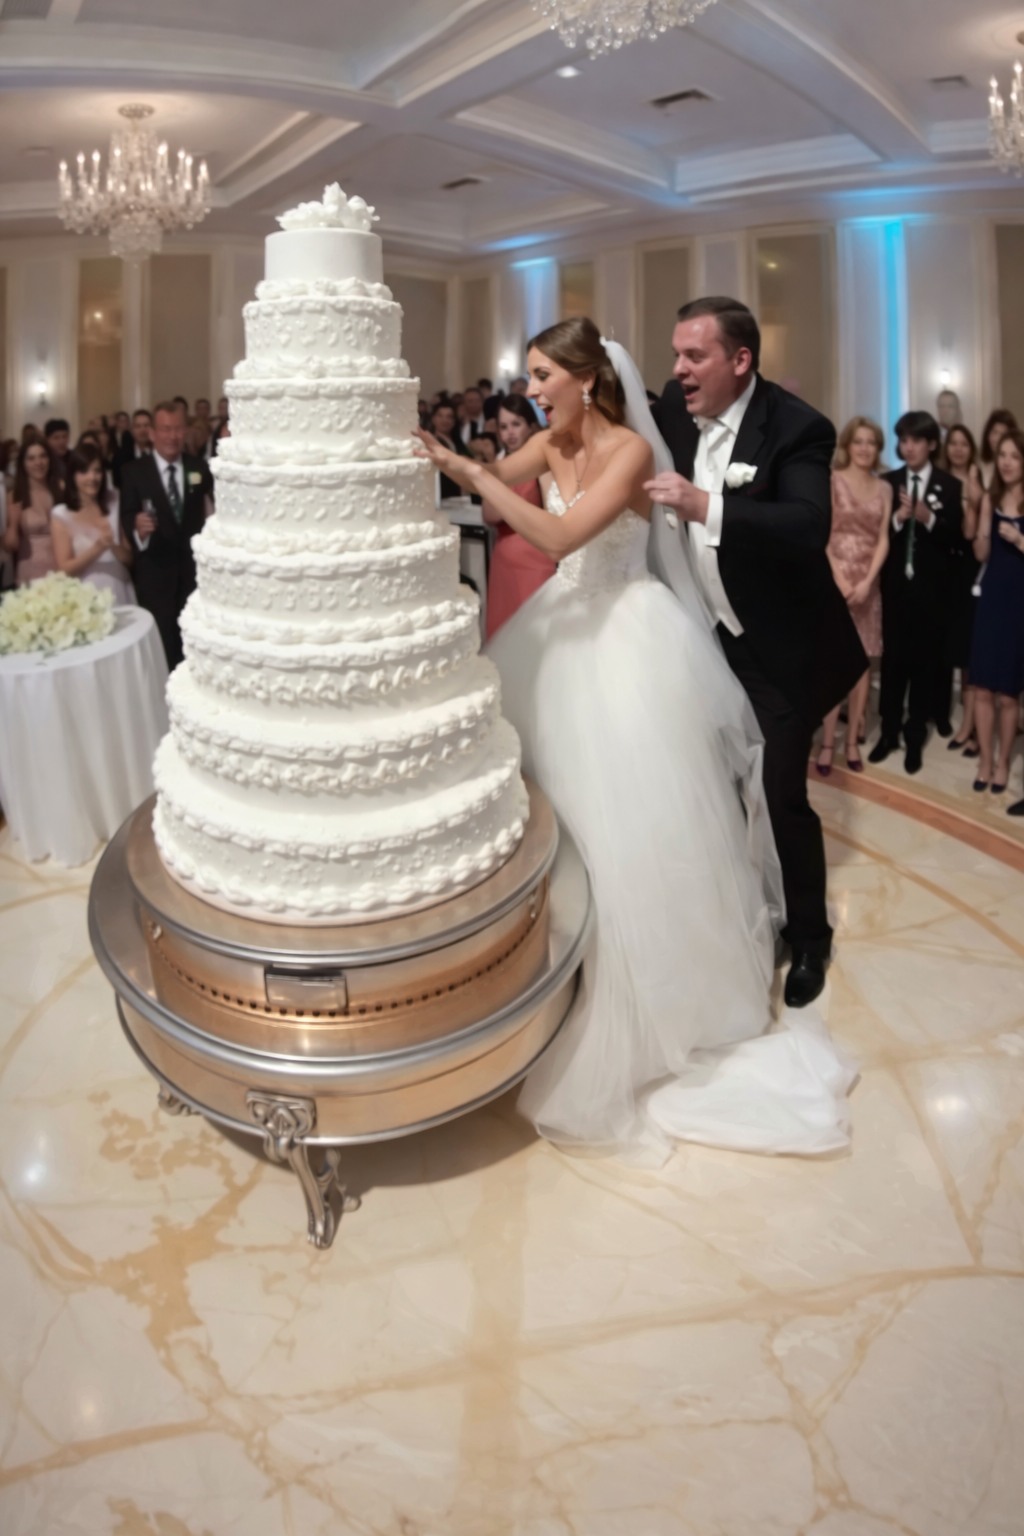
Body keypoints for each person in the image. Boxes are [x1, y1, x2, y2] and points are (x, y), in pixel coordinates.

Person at [414, 317, 856, 1161]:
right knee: (550, 806)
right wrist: (442, 463)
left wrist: (472, 472)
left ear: (586, 378)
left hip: (637, 636)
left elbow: (554, 535)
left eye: (543, 375)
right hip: (560, 625)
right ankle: (551, 969)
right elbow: (493, 483)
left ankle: (712, 964)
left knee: (652, 818)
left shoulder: (635, 449)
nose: (530, 390)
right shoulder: (553, 442)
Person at [649, 296, 865, 1006]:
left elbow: (806, 525)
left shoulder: (799, 427)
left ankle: (809, 937)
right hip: (705, 641)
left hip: (779, 651)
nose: (679, 369)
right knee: (712, 790)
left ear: (741, 360)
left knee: (779, 796)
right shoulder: (674, 410)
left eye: (695, 355)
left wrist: (705, 505)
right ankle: (744, 912)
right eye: (676, 354)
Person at [869, 411, 962, 773]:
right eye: (904, 440)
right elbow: (877, 535)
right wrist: (898, 519)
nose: (908, 447)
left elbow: (955, 541)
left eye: (916, 440)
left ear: (931, 444)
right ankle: (888, 732)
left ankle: (914, 736)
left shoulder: (949, 486)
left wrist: (928, 518)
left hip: (932, 594)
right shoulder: (888, 482)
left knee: (925, 667)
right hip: (895, 590)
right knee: (893, 665)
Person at [816, 417, 891, 775]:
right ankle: (828, 742)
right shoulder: (832, 480)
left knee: (862, 666)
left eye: (871, 442)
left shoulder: (885, 488)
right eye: (859, 441)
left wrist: (867, 582)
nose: (864, 448)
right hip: (835, 579)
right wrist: (841, 580)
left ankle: (851, 743)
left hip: (868, 586)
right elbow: (824, 533)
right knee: (833, 663)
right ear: (847, 445)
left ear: (878, 449)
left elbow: (883, 539)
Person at [119, 399, 214, 669]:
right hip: (155, 577)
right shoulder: (134, 472)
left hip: (192, 577)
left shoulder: (199, 468)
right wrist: (138, 528)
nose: (172, 436)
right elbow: (127, 515)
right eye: (165, 429)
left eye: (178, 429)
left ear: (186, 431)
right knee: (161, 653)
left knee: (193, 648)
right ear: (152, 433)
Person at [969, 429, 1024, 798]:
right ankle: (985, 761)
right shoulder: (990, 498)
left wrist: (1019, 539)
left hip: (1019, 604)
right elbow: (981, 555)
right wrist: (983, 522)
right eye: (1002, 455)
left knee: (1007, 693)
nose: (1006, 462)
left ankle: (1004, 761)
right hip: (990, 600)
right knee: (983, 688)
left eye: (1014, 456)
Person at [481, 394, 555, 638]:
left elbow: (553, 512)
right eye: (503, 427)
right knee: (504, 632)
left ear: (530, 426)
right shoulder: (500, 463)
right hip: (504, 557)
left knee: (535, 632)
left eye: (516, 424)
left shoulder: (541, 462)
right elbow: (489, 515)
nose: (510, 433)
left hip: (536, 555)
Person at [940, 423, 984, 755]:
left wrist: (970, 493)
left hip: (970, 573)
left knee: (969, 653)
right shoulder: (939, 481)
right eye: (953, 443)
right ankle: (943, 714)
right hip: (942, 572)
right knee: (947, 648)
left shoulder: (978, 483)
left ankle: (970, 725)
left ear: (971, 449)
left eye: (963, 443)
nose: (957, 448)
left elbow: (970, 532)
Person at [51, 444, 134, 604]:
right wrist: (98, 547)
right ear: (73, 475)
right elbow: (64, 569)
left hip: (119, 588)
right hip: (86, 595)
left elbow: (129, 559)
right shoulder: (61, 514)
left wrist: (112, 545)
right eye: (84, 472)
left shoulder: (114, 501)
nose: (92, 478)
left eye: (97, 471)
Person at [2, 439, 61, 584]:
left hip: (60, 568)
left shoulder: (61, 489)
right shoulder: (15, 496)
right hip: (30, 571)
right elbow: (9, 546)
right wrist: (13, 524)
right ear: (23, 463)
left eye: (43, 456)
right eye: (31, 458)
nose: (38, 462)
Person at [978, 409, 1018, 491]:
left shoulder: (1015, 466)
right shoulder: (979, 465)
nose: (997, 439)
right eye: (994, 432)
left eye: (1003, 434)